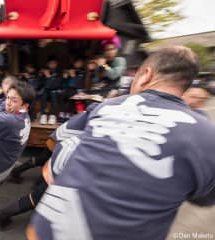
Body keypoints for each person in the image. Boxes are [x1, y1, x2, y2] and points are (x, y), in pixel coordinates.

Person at [27, 46, 215, 240]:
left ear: (145, 75)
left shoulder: (106, 106)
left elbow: (56, 140)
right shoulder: (208, 136)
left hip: (49, 230)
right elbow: (204, 198)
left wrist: (55, 167)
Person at [0, 102, 99, 229]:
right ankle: (2, 214)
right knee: (41, 188)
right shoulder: (104, 116)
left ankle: (27, 179)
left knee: (44, 165)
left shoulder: (101, 111)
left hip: (63, 141)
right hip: (64, 146)